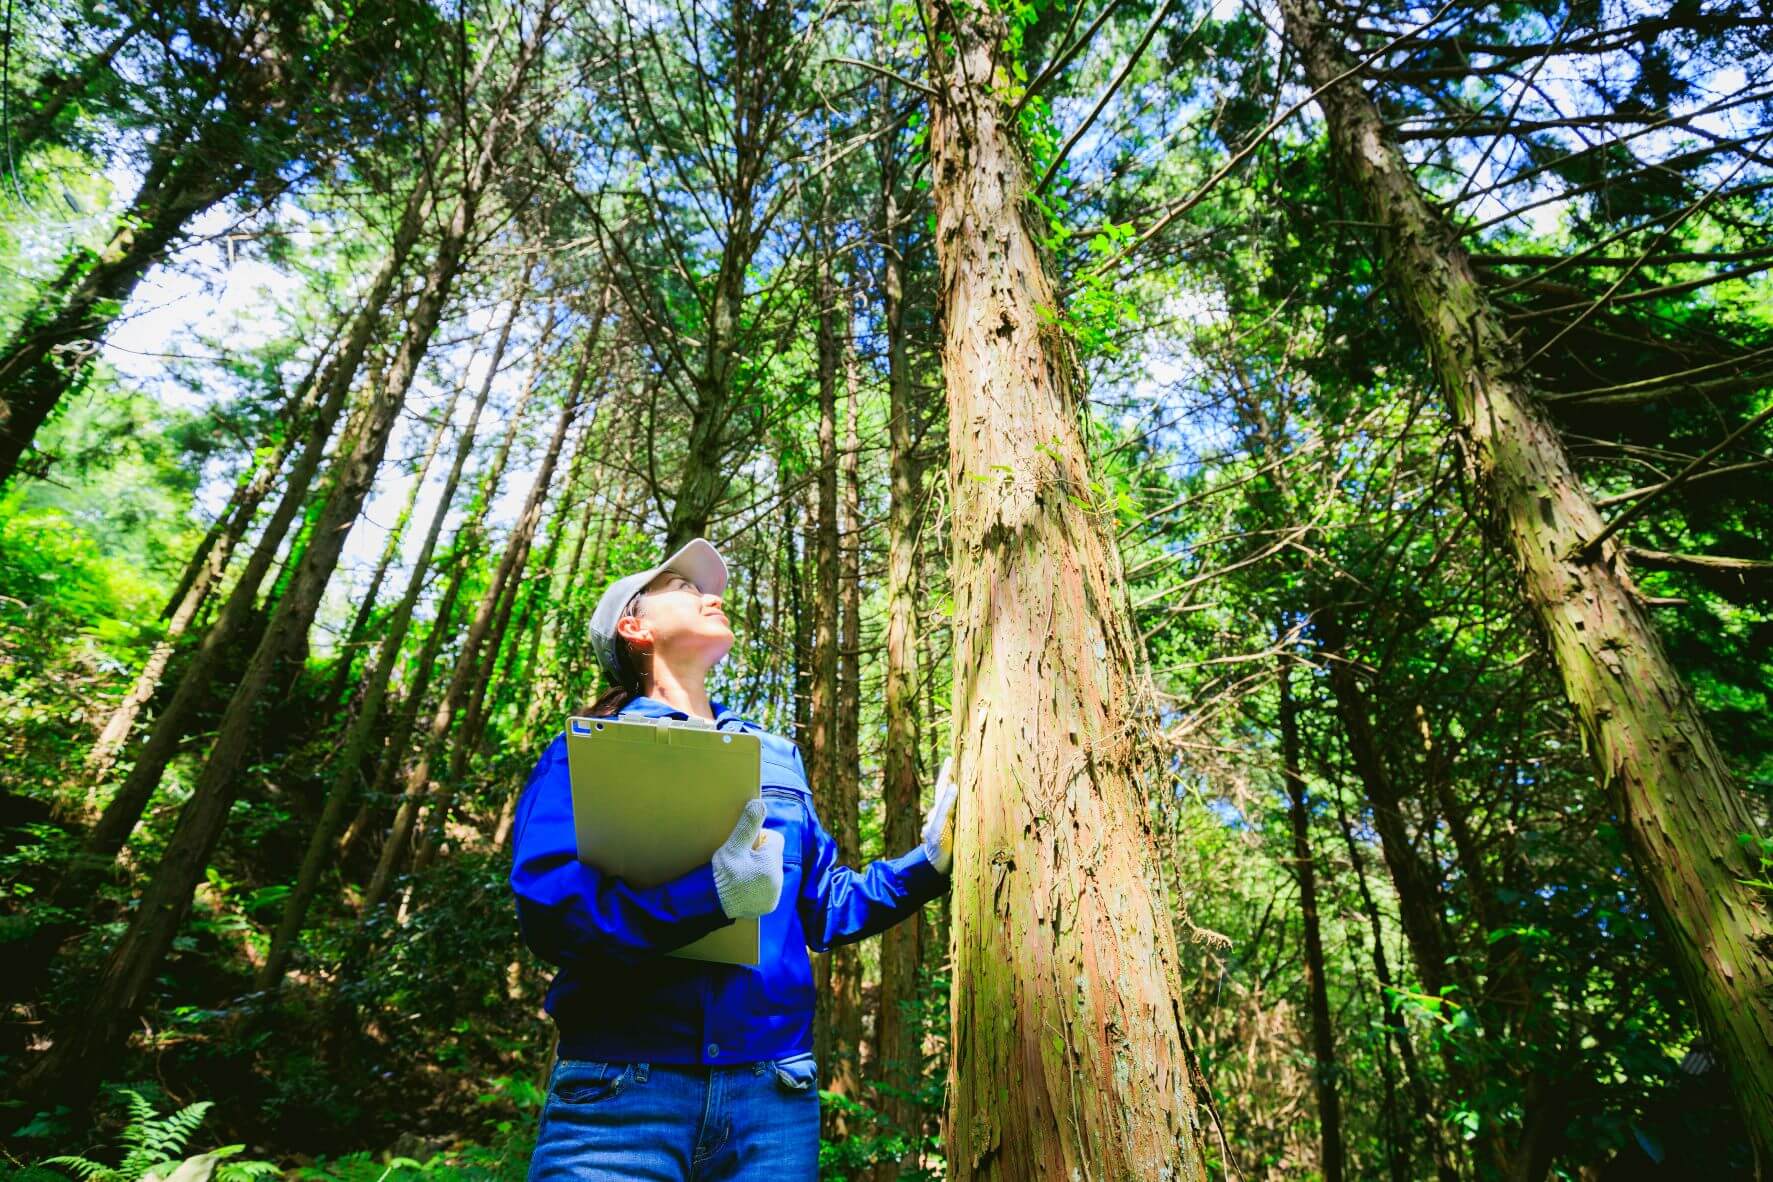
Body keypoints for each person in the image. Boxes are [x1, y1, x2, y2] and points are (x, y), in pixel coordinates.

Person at [511, 536, 958, 1182]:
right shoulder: (582, 752)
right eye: (686, 590)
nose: (712, 596)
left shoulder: (775, 755)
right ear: (635, 628)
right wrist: (710, 894)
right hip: (618, 1092)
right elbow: (551, 910)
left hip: (771, 1096)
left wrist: (929, 863)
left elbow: (824, 907)